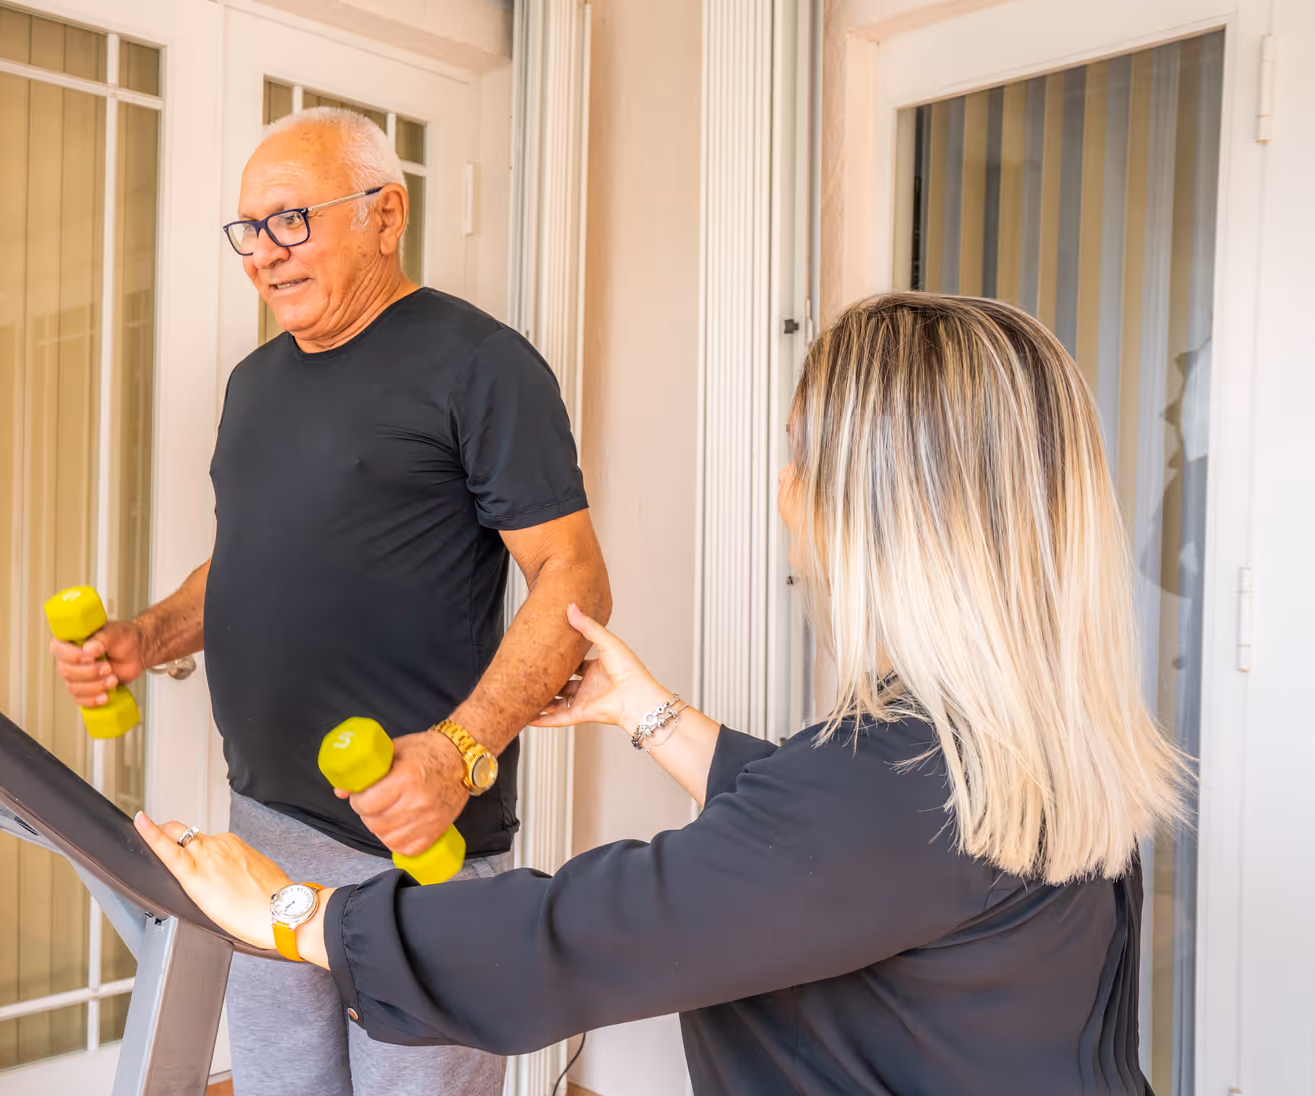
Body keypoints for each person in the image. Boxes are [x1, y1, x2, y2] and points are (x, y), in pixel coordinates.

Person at [135, 292, 1189, 1095]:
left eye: (796, 451)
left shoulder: (888, 788)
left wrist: (288, 910)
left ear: (876, 504)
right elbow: (834, 840)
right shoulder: (1006, 742)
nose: (783, 486)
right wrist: (649, 713)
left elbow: (576, 935)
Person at [50, 107, 610, 1096]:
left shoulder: (483, 365)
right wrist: (146, 635)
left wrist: (463, 751)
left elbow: (571, 575)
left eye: (291, 221)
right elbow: (252, 564)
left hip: (414, 840)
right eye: (248, 231)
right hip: (262, 825)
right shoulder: (252, 385)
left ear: (386, 215)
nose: (264, 254)